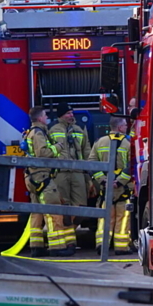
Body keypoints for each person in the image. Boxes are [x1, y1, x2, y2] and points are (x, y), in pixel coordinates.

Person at [23, 106, 74, 257]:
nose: (47, 118)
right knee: (53, 212)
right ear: (39, 118)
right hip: (42, 178)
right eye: (45, 115)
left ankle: (36, 247)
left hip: (33, 178)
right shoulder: (38, 133)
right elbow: (42, 153)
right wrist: (57, 147)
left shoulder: (31, 132)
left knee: (37, 214)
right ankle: (57, 247)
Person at [48, 103, 91, 250]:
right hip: (60, 173)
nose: (71, 115)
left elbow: (87, 151)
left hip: (78, 172)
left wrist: (89, 174)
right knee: (64, 207)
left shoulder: (80, 130)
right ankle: (70, 241)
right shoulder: (52, 130)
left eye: (72, 113)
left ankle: (70, 235)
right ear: (61, 115)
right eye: (68, 113)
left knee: (80, 207)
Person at [89, 116, 134, 255]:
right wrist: (120, 181)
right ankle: (121, 247)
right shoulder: (128, 143)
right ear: (120, 127)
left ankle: (102, 245)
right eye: (125, 125)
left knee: (105, 217)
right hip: (123, 188)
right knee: (123, 217)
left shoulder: (99, 142)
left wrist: (103, 181)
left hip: (105, 188)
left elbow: (92, 163)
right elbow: (131, 166)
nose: (126, 127)